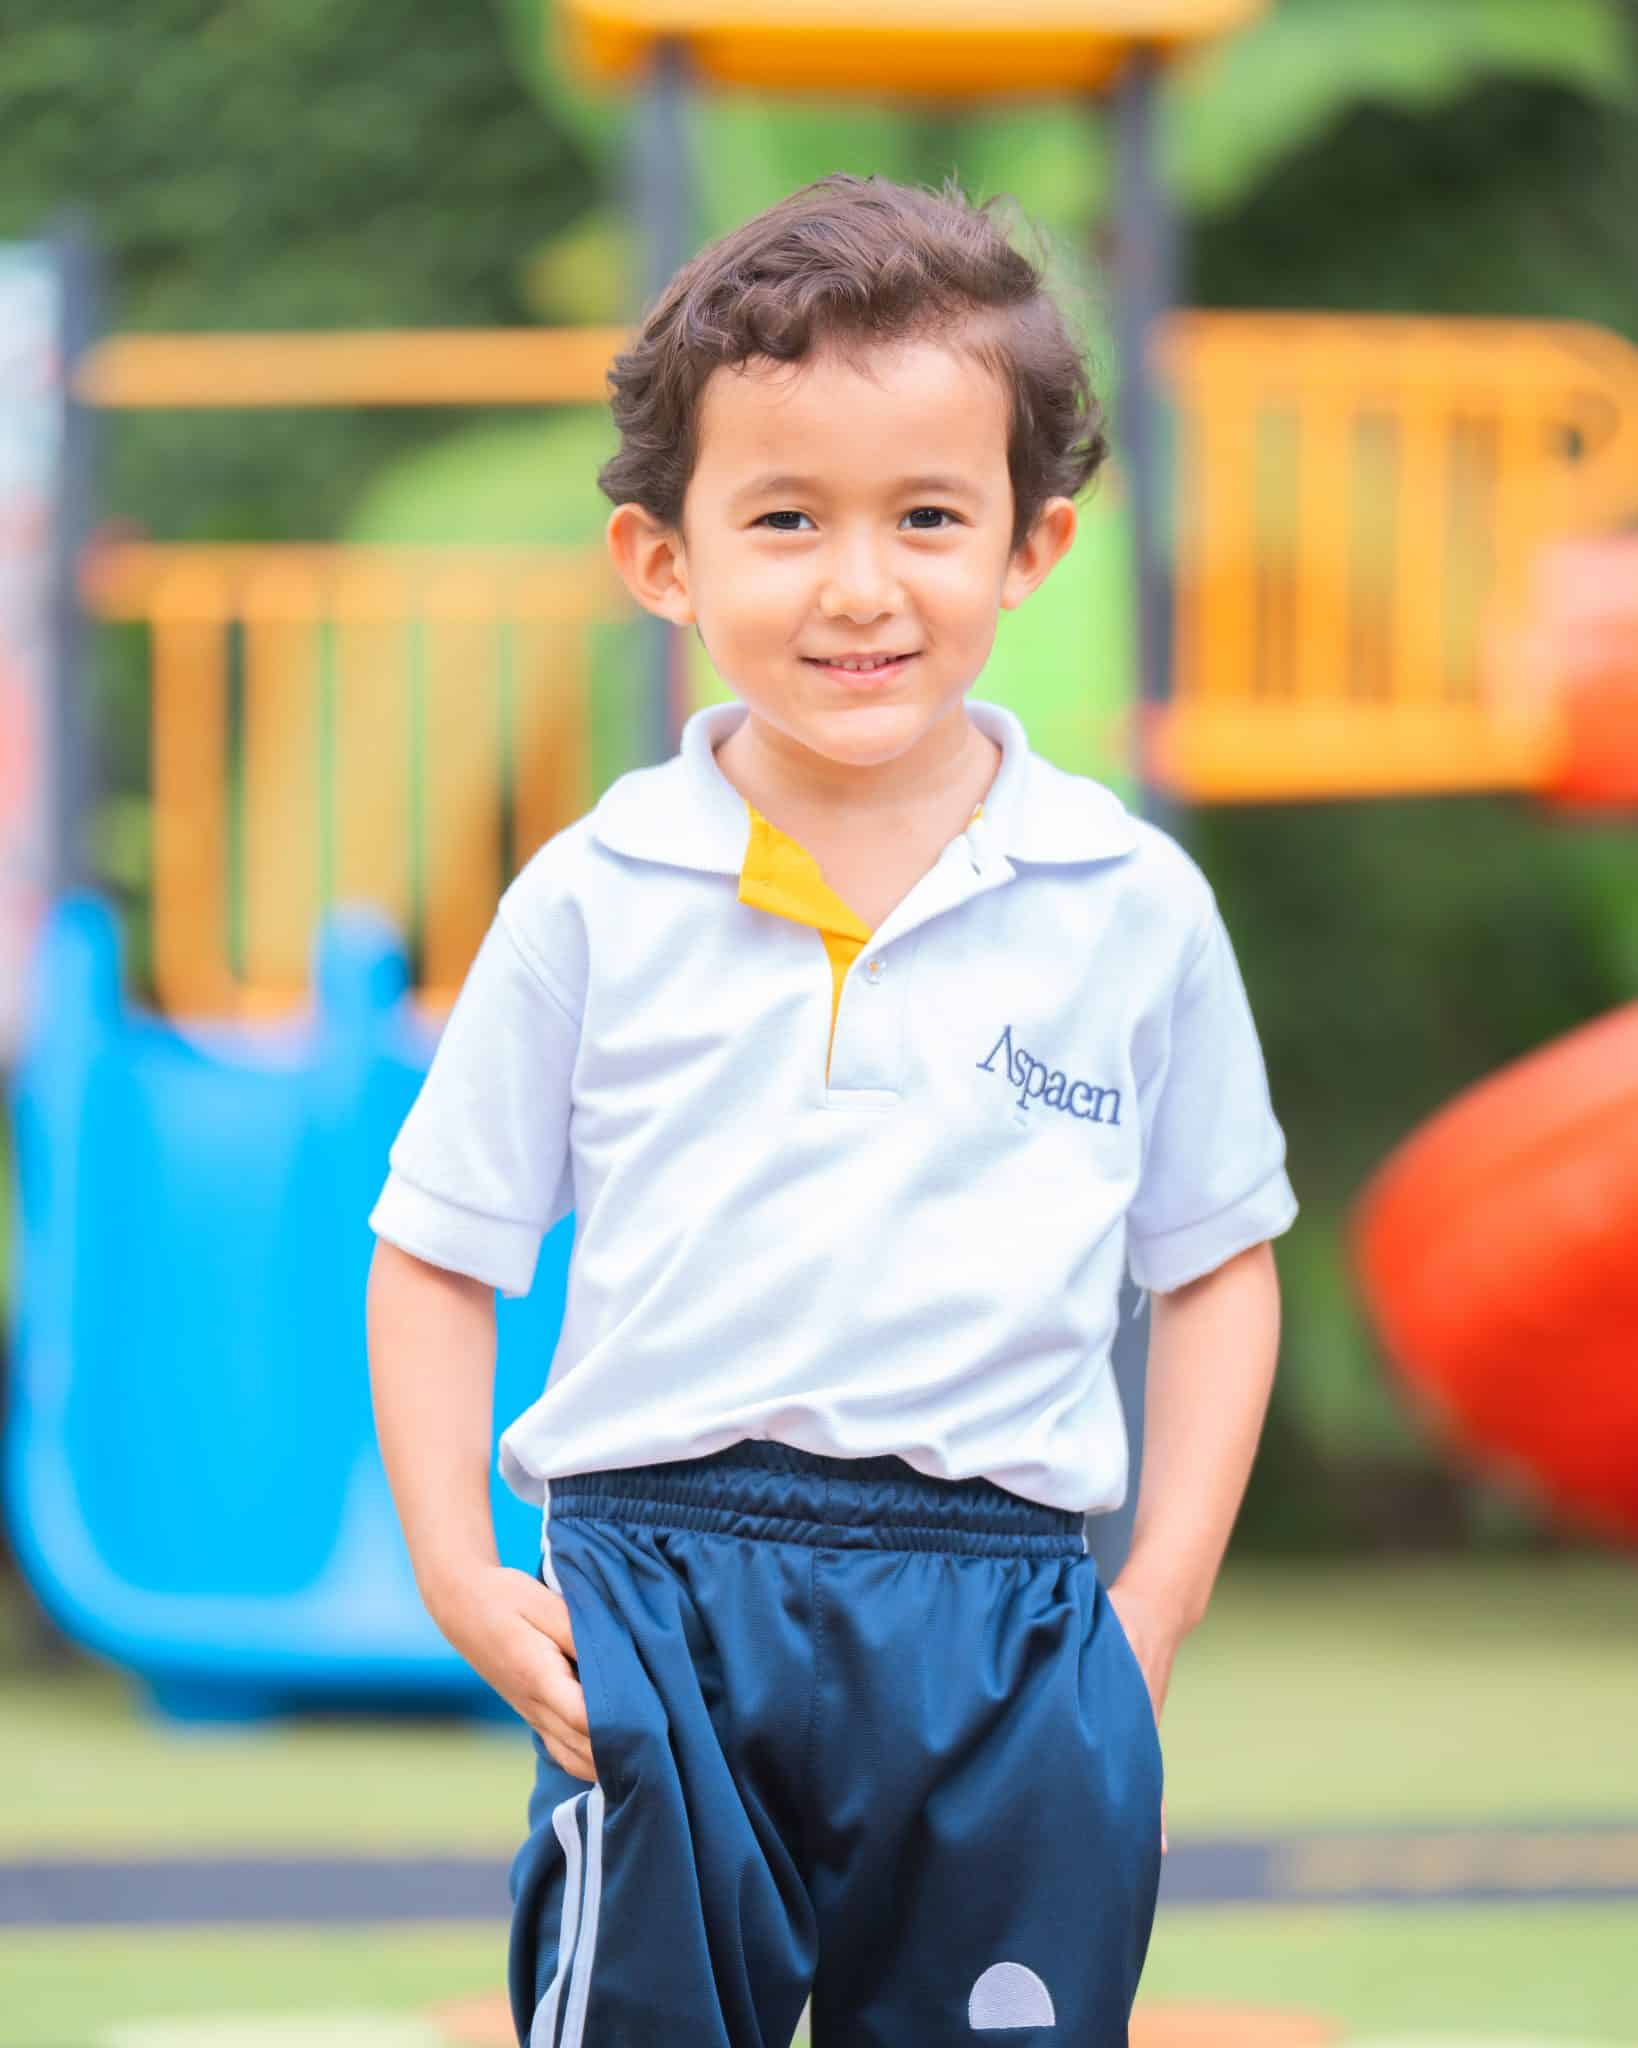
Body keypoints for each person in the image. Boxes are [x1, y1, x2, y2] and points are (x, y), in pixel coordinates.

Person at [365, 170, 1298, 2048]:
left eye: (926, 516)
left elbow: (1214, 1264)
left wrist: (1153, 1612)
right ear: (665, 559)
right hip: (659, 1586)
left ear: (1030, 545)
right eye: (785, 517)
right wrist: (460, 1572)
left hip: (1008, 1616)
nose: (859, 584)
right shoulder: (591, 897)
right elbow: (436, 1253)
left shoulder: (1129, 905)